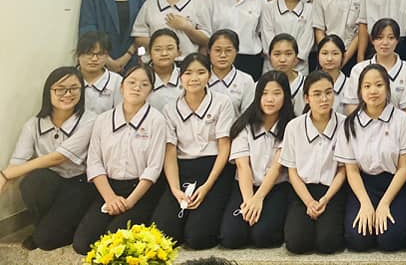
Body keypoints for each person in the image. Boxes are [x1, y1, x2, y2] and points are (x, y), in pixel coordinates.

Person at [72, 63, 167, 255]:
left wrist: (129, 202)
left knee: (116, 240)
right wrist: (110, 198)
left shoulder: (156, 120)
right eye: (132, 82)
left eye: (144, 84)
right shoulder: (103, 120)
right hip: (109, 188)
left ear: (150, 91)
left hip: (141, 191)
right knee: (83, 244)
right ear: (122, 87)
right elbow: (94, 163)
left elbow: (154, 167)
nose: (137, 87)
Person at [2, 67, 96, 250]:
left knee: (46, 241)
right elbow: (17, 163)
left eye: (74, 88)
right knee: (32, 182)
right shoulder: (33, 124)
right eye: (60, 89)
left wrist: (5, 174)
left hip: (80, 183)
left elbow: (57, 158)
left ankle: (59, 227)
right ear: (49, 92)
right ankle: (45, 226)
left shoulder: (90, 120)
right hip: (51, 183)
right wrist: (4, 179)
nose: (67, 94)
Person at [152, 53, 235, 250]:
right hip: (183, 169)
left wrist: (206, 187)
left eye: (200, 72)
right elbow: (170, 152)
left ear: (209, 75)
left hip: (215, 169)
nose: (194, 78)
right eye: (188, 73)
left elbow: (224, 147)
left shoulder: (222, 103)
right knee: (162, 235)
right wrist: (175, 189)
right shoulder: (170, 109)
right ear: (180, 77)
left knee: (198, 238)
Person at [336, 63, 406, 251]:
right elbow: (352, 170)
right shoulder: (350, 123)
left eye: (379, 85)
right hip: (364, 185)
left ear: (387, 88)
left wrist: (385, 203)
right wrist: (365, 203)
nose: (373, 91)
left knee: (390, 240)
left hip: (395, 183)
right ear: (360, 91)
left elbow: (404, 168)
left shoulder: (402, 120)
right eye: (367, 86)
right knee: (358, 240)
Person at [219, 71, 294, 249]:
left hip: (276, 187)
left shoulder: (291, 127)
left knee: (263, 236)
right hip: (245, 186)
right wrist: (249, 201)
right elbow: (242, 166)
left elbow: (277, 168)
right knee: (231, 238)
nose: (270, 99)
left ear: (286, 96)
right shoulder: (244, 125)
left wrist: (259, 198)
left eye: (276, 93)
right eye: (264, 93)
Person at [282, 71, 347, 255]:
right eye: (317, 94)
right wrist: (309, 201)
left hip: (332, 191)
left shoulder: (344, 124)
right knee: (297, 243)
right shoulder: (294, 126)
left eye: (328, 92)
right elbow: (292, 171)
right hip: (302, 191)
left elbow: (343, 170)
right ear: (306, 98)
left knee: (328, 243)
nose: (324, 99)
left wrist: (326, 198)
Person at [199, 0, 265, 80]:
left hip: (250, 58)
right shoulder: (212, 0)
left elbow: (261, 32)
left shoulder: (260, 1)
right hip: (219, 56)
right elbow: (205, 30)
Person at [343, 18, 406, 114]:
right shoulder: (358, 69)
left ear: (397, 40)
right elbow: (351, 105)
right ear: (372, 40)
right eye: (379, 38)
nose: (385, 43)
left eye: (391, 38)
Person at [261, 0, 312, 74]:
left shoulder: (310, 9)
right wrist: (279, 58)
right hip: (273, 65)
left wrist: (294, 60)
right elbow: (267, 34)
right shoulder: (269, 7)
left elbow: (308, 38)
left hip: (299, 67)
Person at [207, 29, 256, 116]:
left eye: (228, 50)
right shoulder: (200, 77)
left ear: (236, 51)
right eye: (217, 50)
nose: (223, 55)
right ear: (209, 51)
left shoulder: (246, 81)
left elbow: (248, 116)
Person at [76, 31, 122, 116]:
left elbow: (121, 113)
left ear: (107, 56)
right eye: (89, 53)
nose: (94, 59)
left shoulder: (117, 81)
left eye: (100, 54)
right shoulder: (67, 79)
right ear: (78, 54)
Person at [146, 28, 182, 112]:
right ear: (150, 53)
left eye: (169, 48)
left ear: (178, 51)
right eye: (158, 49)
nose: (164, 53)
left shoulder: (187, 76)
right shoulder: (140, 77)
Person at [267, 34, 307, 108]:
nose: (282, 59)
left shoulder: (307, 84)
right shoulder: (260, 85)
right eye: (277, 54)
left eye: (288, 54)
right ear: (269, 57)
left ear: (296, 57)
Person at [316, 34, 349, 115]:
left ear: (343, 56)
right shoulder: (310, 83)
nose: (329, 58)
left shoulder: (350, 85)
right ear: (318, 55)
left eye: (335, 54)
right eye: (324, 53)